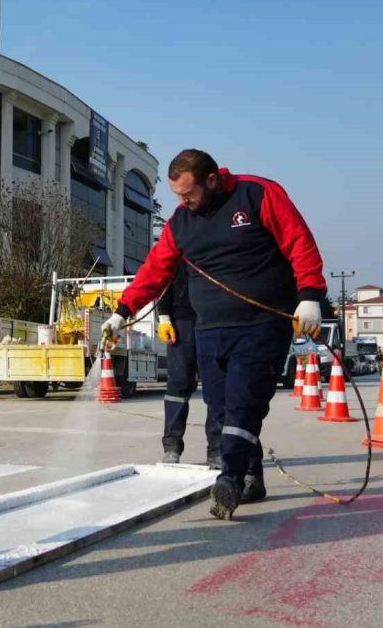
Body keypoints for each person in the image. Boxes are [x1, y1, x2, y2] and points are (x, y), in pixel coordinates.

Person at [103, 150, 325, 520]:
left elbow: (299, 242)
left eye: (187, 194)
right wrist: (121, 312)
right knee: (221, 411)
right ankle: (252, 474)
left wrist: (310, 297)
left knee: (242, 403)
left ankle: (230, 480)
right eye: (176, 196)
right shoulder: (181, 223)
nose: (182, 202)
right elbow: (155, 270)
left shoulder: (257, 194)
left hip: (261, 325)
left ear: (211, 180)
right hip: (209, 329)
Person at [156, 265, 220, 468]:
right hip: (180, 320)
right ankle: (172, 447)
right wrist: (164, 315)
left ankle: (217, 450)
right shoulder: (179, 239)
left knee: (215, 385)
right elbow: (163, 277)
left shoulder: (216, 242)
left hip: (212, 318)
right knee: (178, 384)